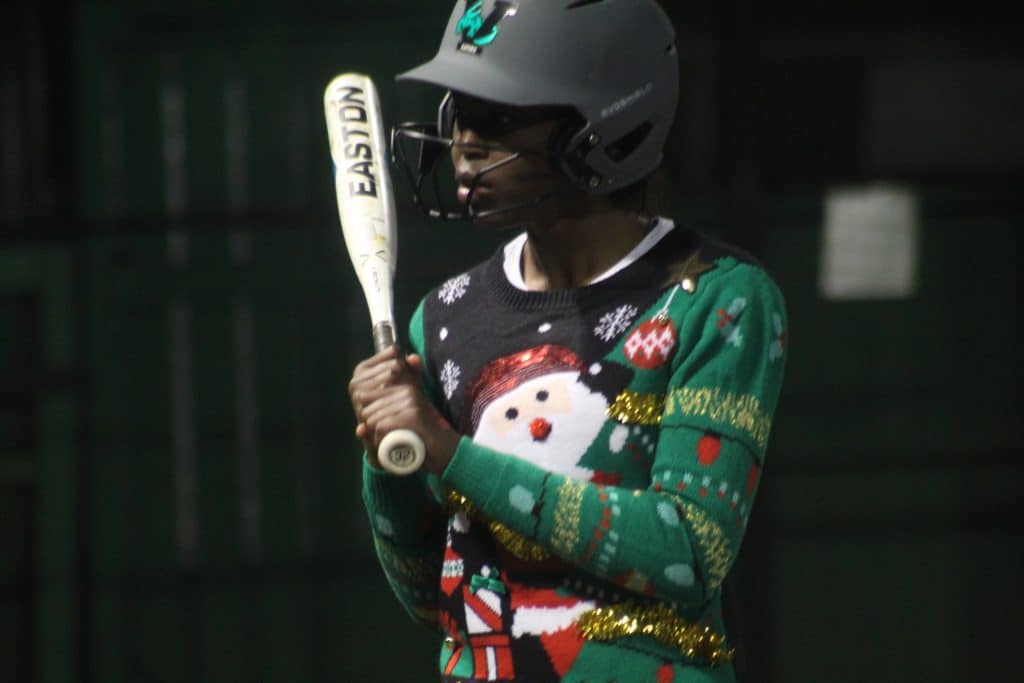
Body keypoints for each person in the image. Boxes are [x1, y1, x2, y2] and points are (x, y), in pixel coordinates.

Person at [349, 1, 788, 681]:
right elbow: (430, 596)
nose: (464, 140)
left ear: (607, 127)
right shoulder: (444, 316)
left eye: (498, 116)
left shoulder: (716, 297)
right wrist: (389, 461)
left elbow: (688, 551)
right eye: (459, 112)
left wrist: (450, 454)